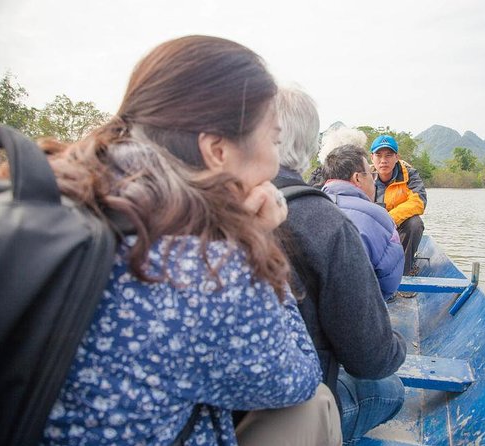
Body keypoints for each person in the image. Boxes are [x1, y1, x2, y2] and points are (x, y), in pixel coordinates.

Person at [37, 35, 340, 446]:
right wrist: (258, 239)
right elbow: (300, 376)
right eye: (273, 139)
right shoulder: (207, 268)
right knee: (313, 404)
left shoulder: (57, 192)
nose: (275, 161)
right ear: (217, 150)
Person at [274, 85, 406, 445]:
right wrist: (398, 345)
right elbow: (372, 360)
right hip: (287, 415)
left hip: (226, 409)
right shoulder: (326, 222)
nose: (380, 162)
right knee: (389, 387)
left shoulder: (209, 208)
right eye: (373, 159)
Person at [320, 144, 404, 301]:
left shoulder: (305, 208)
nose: (374, 180)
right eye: (372, 175)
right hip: (358, 311)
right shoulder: (379, 216)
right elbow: (390, 283)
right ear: (357, 178)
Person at [370, 135, 427, 276]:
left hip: (398, 226)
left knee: (415, 224)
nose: (383, 161)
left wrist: (390, 219)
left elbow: (418, 201)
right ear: (372, 158)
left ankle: (404, 274)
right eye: (379, 155)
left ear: (396, 157)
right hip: (373, 226)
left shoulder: (409, 174)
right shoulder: (365, 175)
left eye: (389, 155)